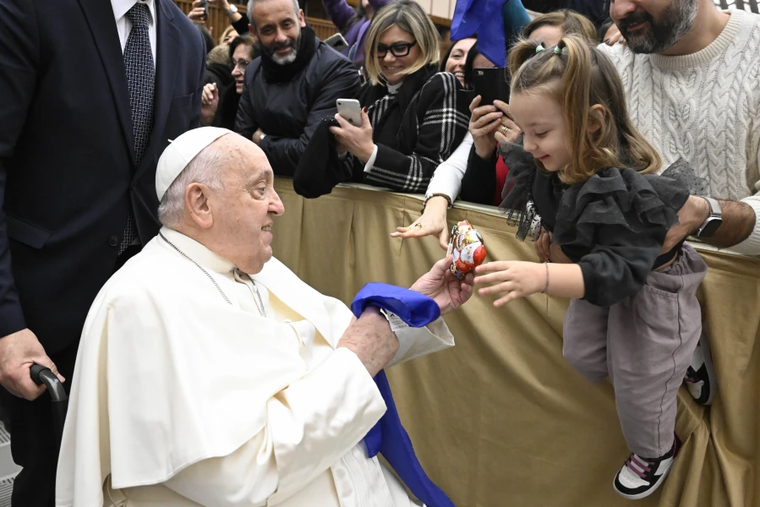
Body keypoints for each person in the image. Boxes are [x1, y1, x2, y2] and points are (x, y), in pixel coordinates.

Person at [55, 127, 474, 507]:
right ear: (200, 202)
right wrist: (359, 355)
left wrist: (414, 308)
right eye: (260, 189)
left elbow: (343, 343)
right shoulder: (142, 304)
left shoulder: (259, 267)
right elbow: (239, 479)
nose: (279, 206)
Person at [474, 35, 707, 500]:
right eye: (524, 131)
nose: (529, 144)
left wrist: (540, 276)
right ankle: (680, 359)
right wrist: (557, 237)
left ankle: (656, 448)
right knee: (584, 356)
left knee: (640, 386)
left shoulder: (621, 188)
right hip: (596, 279)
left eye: (540, 133)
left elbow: (615, 269)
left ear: (593, 124)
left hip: (650, 286)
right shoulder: (551, 163)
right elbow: (563, 215)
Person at [0, 0, 205, 505]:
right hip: (43, 316)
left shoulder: (188, 38)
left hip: (147, 315)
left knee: (135, 478)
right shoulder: (31, 12)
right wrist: (6, 322)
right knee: (53, 480)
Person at [393, 10, 596, 248]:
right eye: (530, 54)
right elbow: (460, 175)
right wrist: (482, 154)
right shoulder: (505, 112)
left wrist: (521, 153)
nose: (537, 64)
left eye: (549, 53)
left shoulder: (591, 138)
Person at [328, 0, 470, 193]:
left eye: (400, 48)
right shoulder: (369, 90)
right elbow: (350, 174)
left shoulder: (441, 85)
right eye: (380, 48)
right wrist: (343, 150)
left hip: (415, 219)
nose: (388, 58)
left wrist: (369, 153)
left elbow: (435, 175)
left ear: (422, 44)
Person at [235, 0, 362, 176]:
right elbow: (241, 147)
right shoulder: (253, 71)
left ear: (301, 18)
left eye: (287, 24)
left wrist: (262, 140)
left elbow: (311, 155)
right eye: (268, 30)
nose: (280, 37)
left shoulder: (337, 71)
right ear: (254, 33)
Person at [202, 35, 258, 129]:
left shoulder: (273, 103)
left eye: (243, 63)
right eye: (234, 63)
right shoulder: (229, 98)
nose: (234, 72)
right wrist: (207, 119)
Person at [322, 0, 391, 65]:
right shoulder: (352, 20)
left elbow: (386, 6)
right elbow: (333, 3)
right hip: (341, 73)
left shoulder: (391, 21)